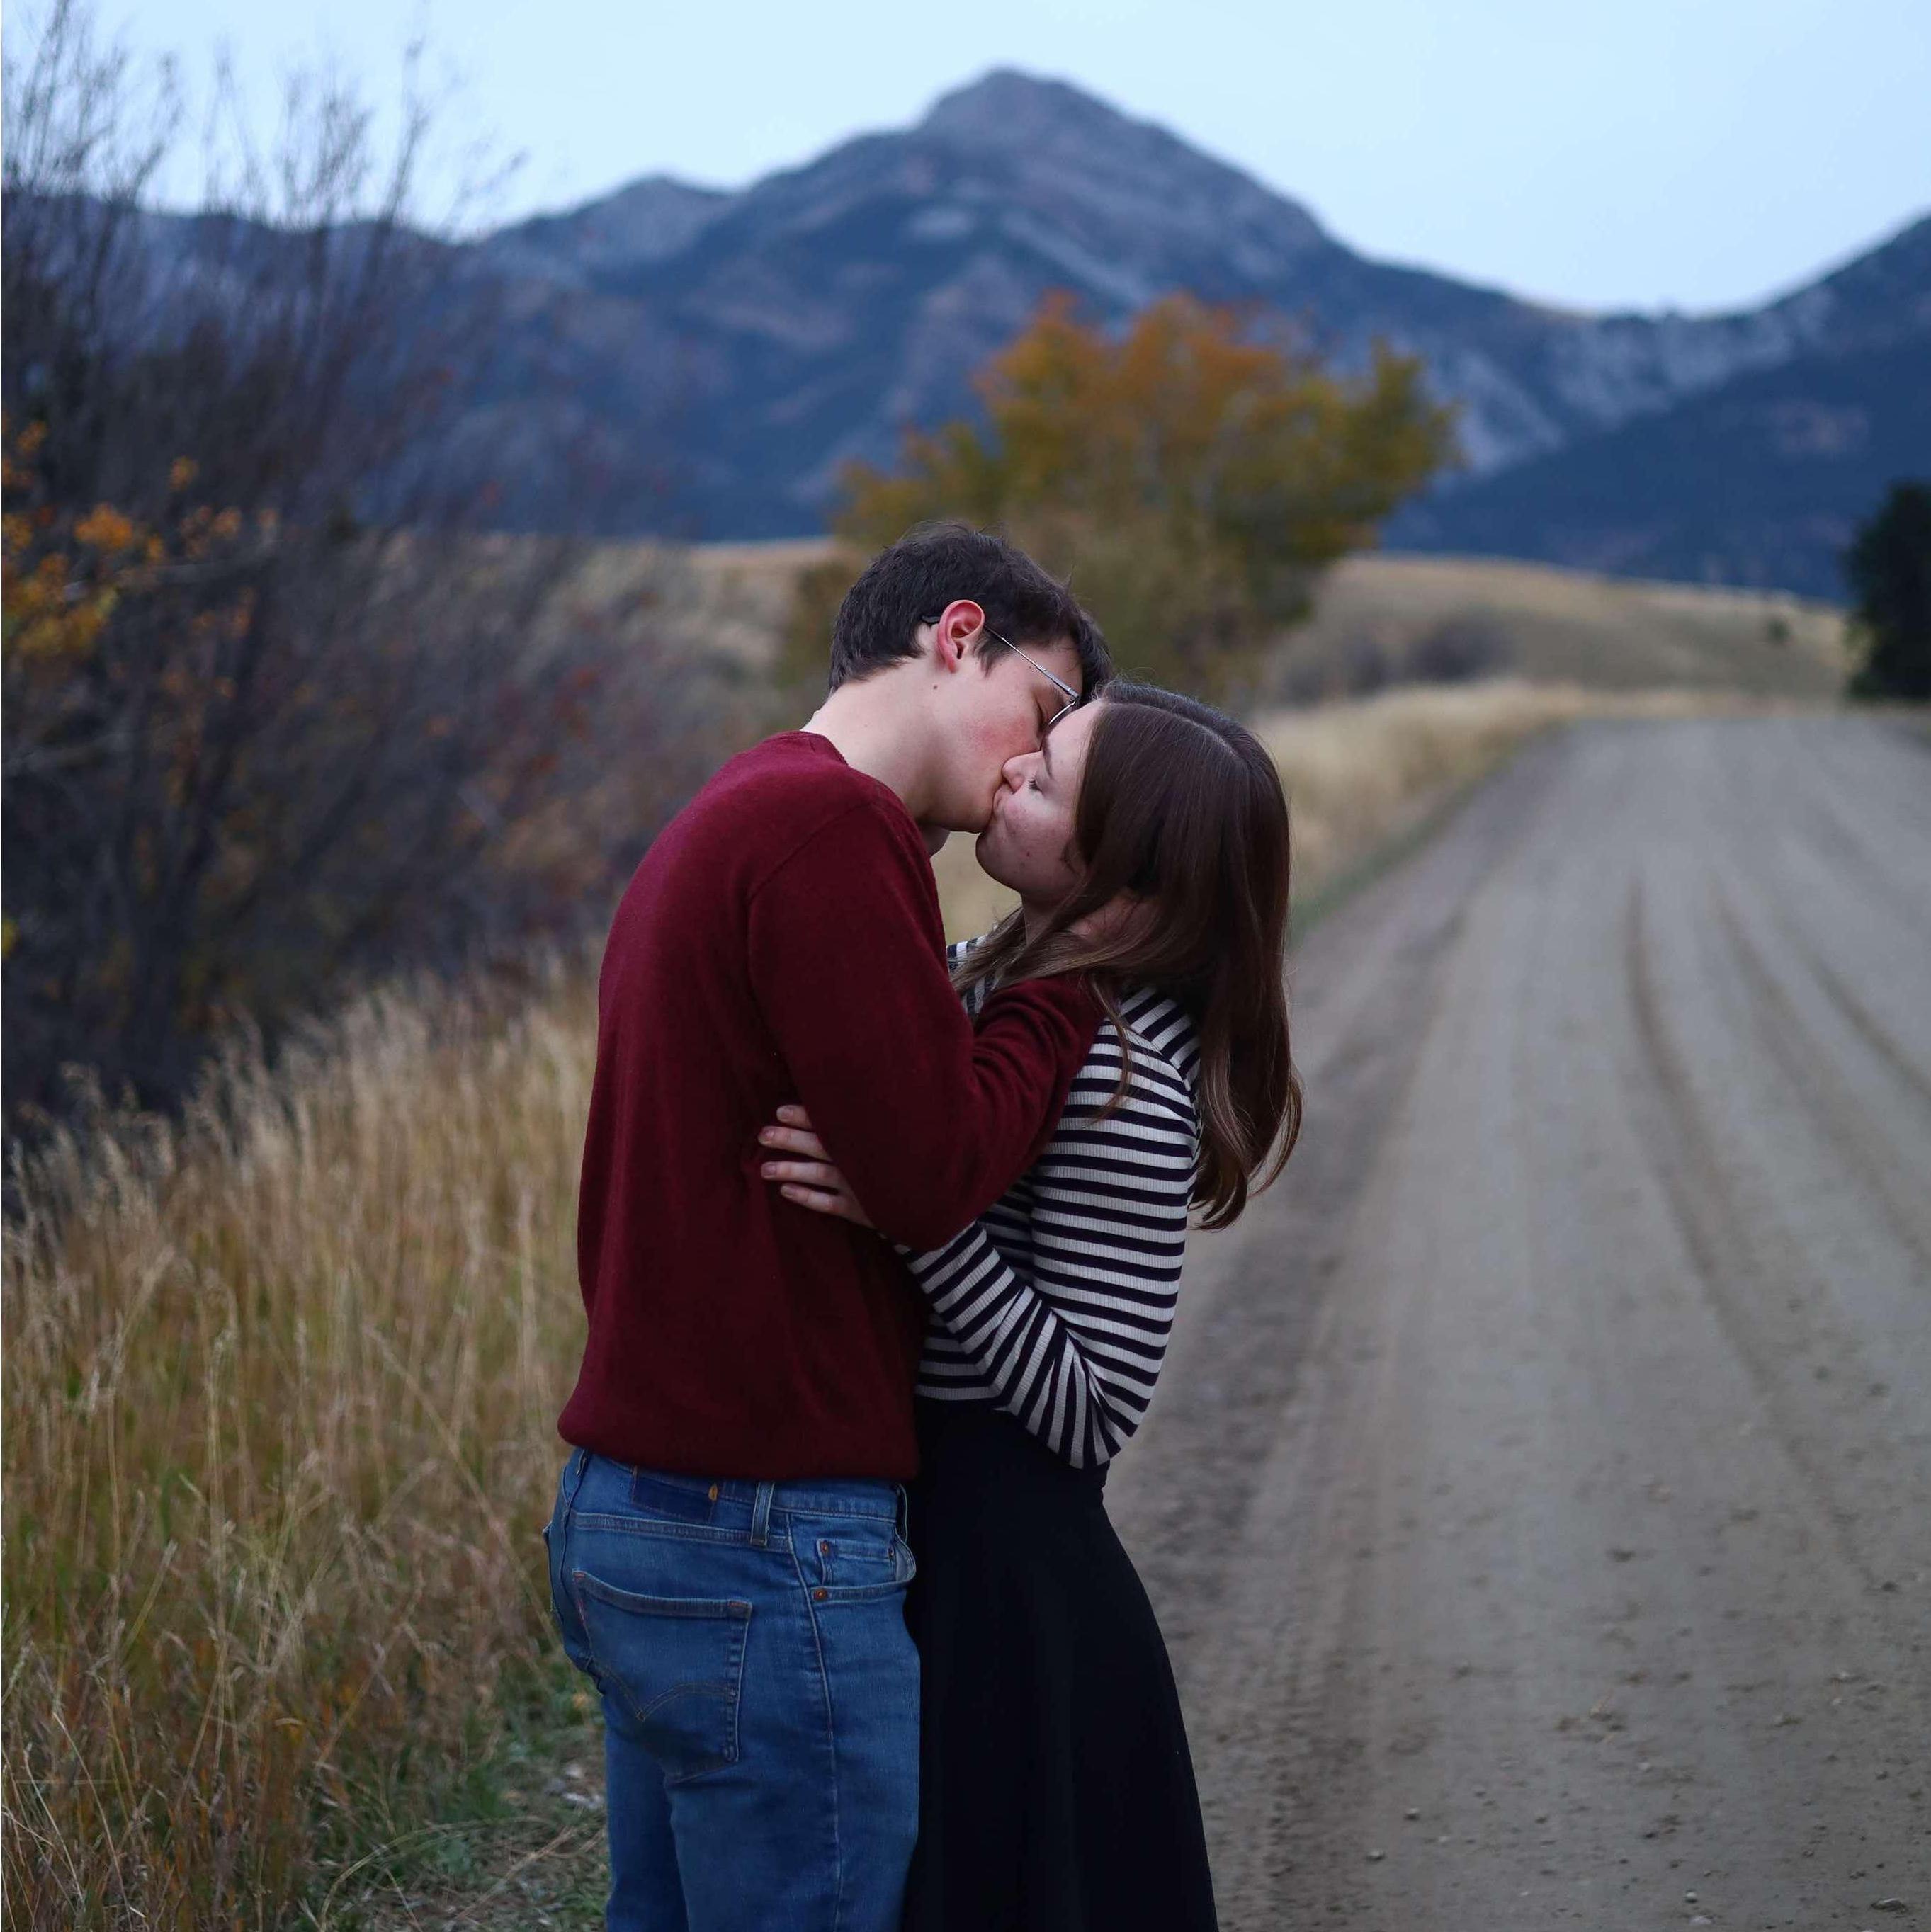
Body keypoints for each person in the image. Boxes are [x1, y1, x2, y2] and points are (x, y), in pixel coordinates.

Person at [545, 523, 1112, 1932]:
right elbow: (930, 1175)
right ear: (957, 635)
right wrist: (1065, 985)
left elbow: (894, 1148)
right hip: (760, 1529)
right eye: (1042, 709)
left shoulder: (742, 805)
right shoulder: (830, 829)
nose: (1029, 767)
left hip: (644, 1511)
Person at [757, 678, 1302, 1932]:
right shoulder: (985, 972)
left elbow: (1090, 1410)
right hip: (911, 1536)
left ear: (1127, 892)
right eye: (1036, 752)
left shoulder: (1126, 1073)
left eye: (1045, 782)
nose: (1010, 772)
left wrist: (917, 1214)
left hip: (1008, 1594)